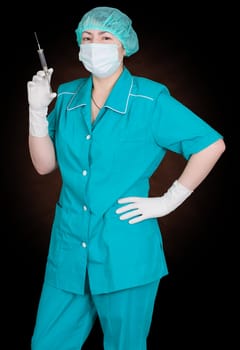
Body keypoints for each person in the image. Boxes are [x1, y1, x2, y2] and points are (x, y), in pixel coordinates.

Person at [27, 6, 226, 350]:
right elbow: (45, 166)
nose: (94, 45)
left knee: (125, 346)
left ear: (124, 46)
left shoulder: (150, 100)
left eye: (106, 37)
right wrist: (36, 112)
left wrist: (169, 201)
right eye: (87, 38)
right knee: (48, 344)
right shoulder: (68, 95)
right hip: (69, 251)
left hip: (126, 253)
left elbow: (211, 145)